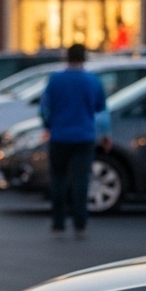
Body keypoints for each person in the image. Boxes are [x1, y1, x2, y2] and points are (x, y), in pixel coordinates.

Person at [39, 43, 109, 239]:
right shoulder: (92, 81)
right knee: (81, 181)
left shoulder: (55, 79)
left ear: (66, 57)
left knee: (58, 179)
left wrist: (48, 126)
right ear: (84, 58)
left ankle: (58, 223)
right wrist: (105, 134)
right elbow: (101, 109)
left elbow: (44, 108)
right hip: (84, 136)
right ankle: (80, 223)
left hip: (59, 136)